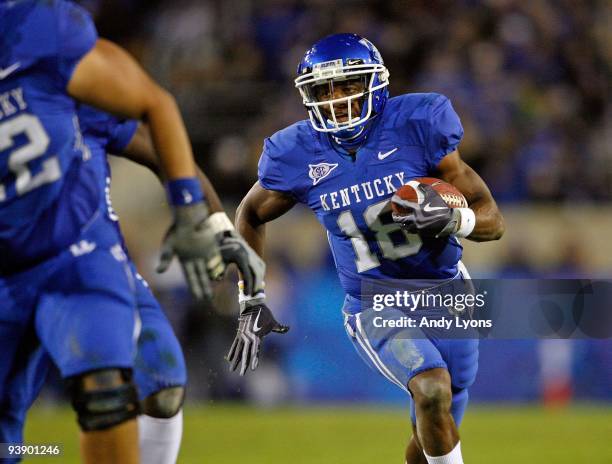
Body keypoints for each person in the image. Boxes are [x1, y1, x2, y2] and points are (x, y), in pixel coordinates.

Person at [0, 1, 263, 463]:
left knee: (129, 387)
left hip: (76, 254)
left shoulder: (37, 38)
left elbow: (154, 120)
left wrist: (211, 222)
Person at [230, 33, 504, 464]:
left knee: (434, 419)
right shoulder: (297, 153)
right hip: (374, 302)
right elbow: (249, 214)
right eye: (325, 90)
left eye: (348, 86)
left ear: (375, 84)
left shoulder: (419, 124)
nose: (336, 100)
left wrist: (456, 219)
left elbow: (492, 218)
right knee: (431, 389)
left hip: (448, 294)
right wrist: (251, 298)